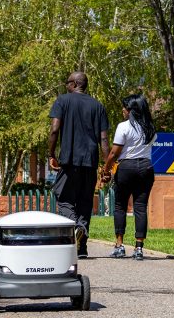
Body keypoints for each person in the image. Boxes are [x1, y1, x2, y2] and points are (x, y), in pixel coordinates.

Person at [48, 71, 110, 259]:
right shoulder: (98, 106)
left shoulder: (62, 101)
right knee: (84, 202)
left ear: (74, 84)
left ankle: (76, 226)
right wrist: (107, 167)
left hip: (68, 160)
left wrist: (50, 154)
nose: (65, 86)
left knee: (63, 197)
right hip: (89, 162)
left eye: (67, 82)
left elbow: (54, 129)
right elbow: (104, 139)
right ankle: (81, 248)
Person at [100, 94, 156, 261]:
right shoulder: (150, 128)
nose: (123, 110)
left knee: (120, 206)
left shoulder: (123, 127)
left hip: (126, 167)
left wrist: (106, 170)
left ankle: (119, 245)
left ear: (132, 110)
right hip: (146, 167)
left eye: (125, 107)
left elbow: (114, 153)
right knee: (140, 207)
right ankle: (139, 248)